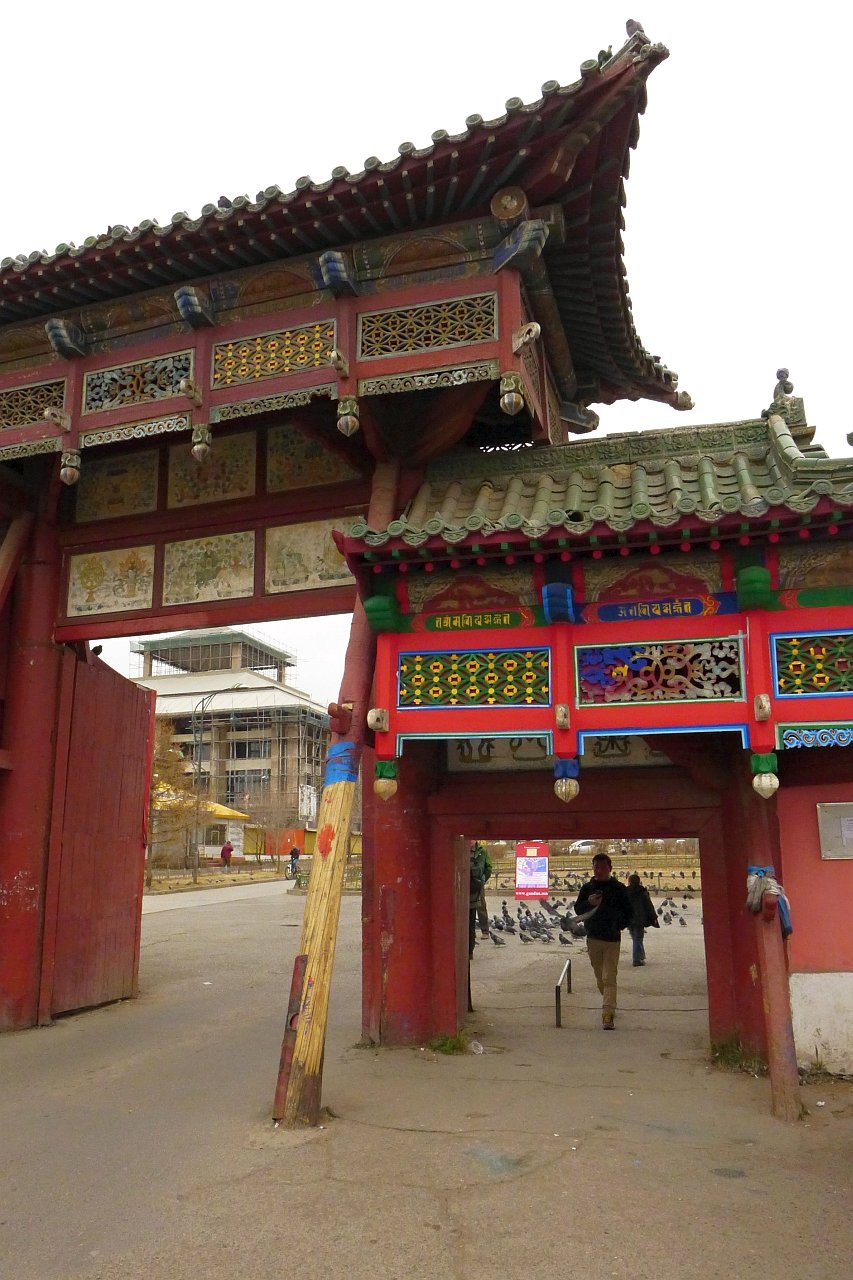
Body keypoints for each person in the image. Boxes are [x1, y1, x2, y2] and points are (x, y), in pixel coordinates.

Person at [574, 853, 632, 1029]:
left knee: (609, 977)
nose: (599, 871)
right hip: (593, 937)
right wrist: (589, 903)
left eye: (603, 867)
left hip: (612, 939)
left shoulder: (619, 888)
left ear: (610, 868)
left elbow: (629, 912)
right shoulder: (587, 888)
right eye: (596, 867)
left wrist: (618, 925)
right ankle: (609, 1001)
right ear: (592, 868)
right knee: (600, 976)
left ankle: (608, 1013)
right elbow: (578, 909)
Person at [626, 872, 659, 966]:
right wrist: (653, 917)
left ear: (629, 882)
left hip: (629, 918)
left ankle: (641, 955)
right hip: (639, 919)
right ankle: (637, 959)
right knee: (638, 938)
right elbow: (649, 906)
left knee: (635, 938)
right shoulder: (642, 892)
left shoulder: (625, 891)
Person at [468, 842, 491, 958]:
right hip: (466, 886)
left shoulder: (482, 851)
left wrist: (482, 879)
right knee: (469, 919)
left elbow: (488, 867)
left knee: (481, 907)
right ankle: (469, 948)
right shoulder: (463, 849)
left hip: (477, 885)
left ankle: (485, 930)